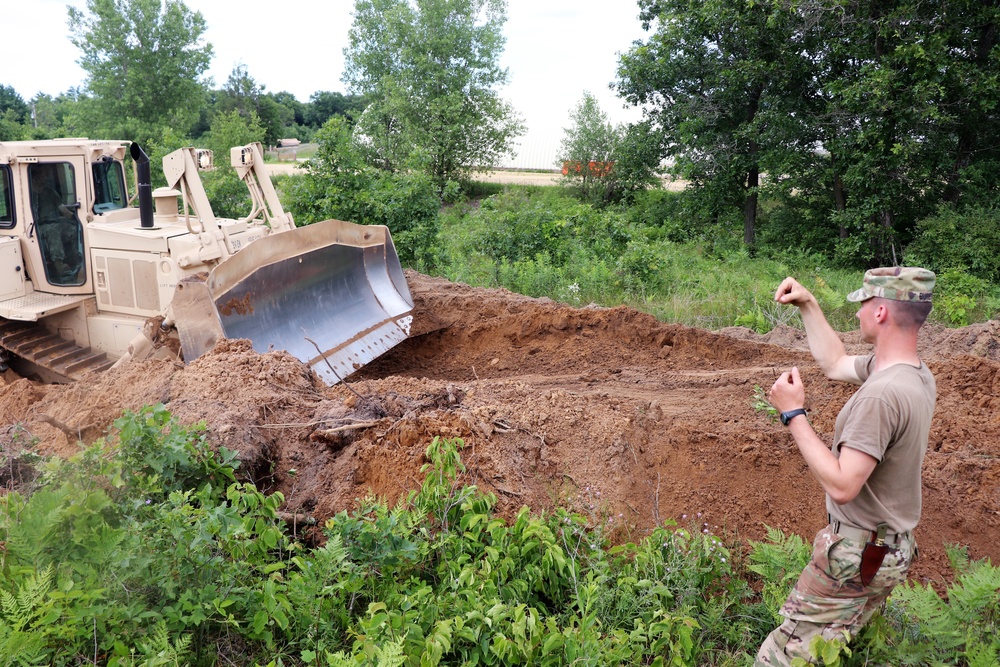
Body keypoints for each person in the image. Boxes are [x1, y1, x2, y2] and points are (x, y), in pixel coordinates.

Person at [755, 267, 936, 666]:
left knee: (780, 658)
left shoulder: (882, 396)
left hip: (856, 555)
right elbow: (836, 363)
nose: (857, 313)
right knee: (827, 652)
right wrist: (808, 304)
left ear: (881, 312)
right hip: (888, 547)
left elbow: (842, 485)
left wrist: (793, 414)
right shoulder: (913, 375)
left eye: (864, 303)